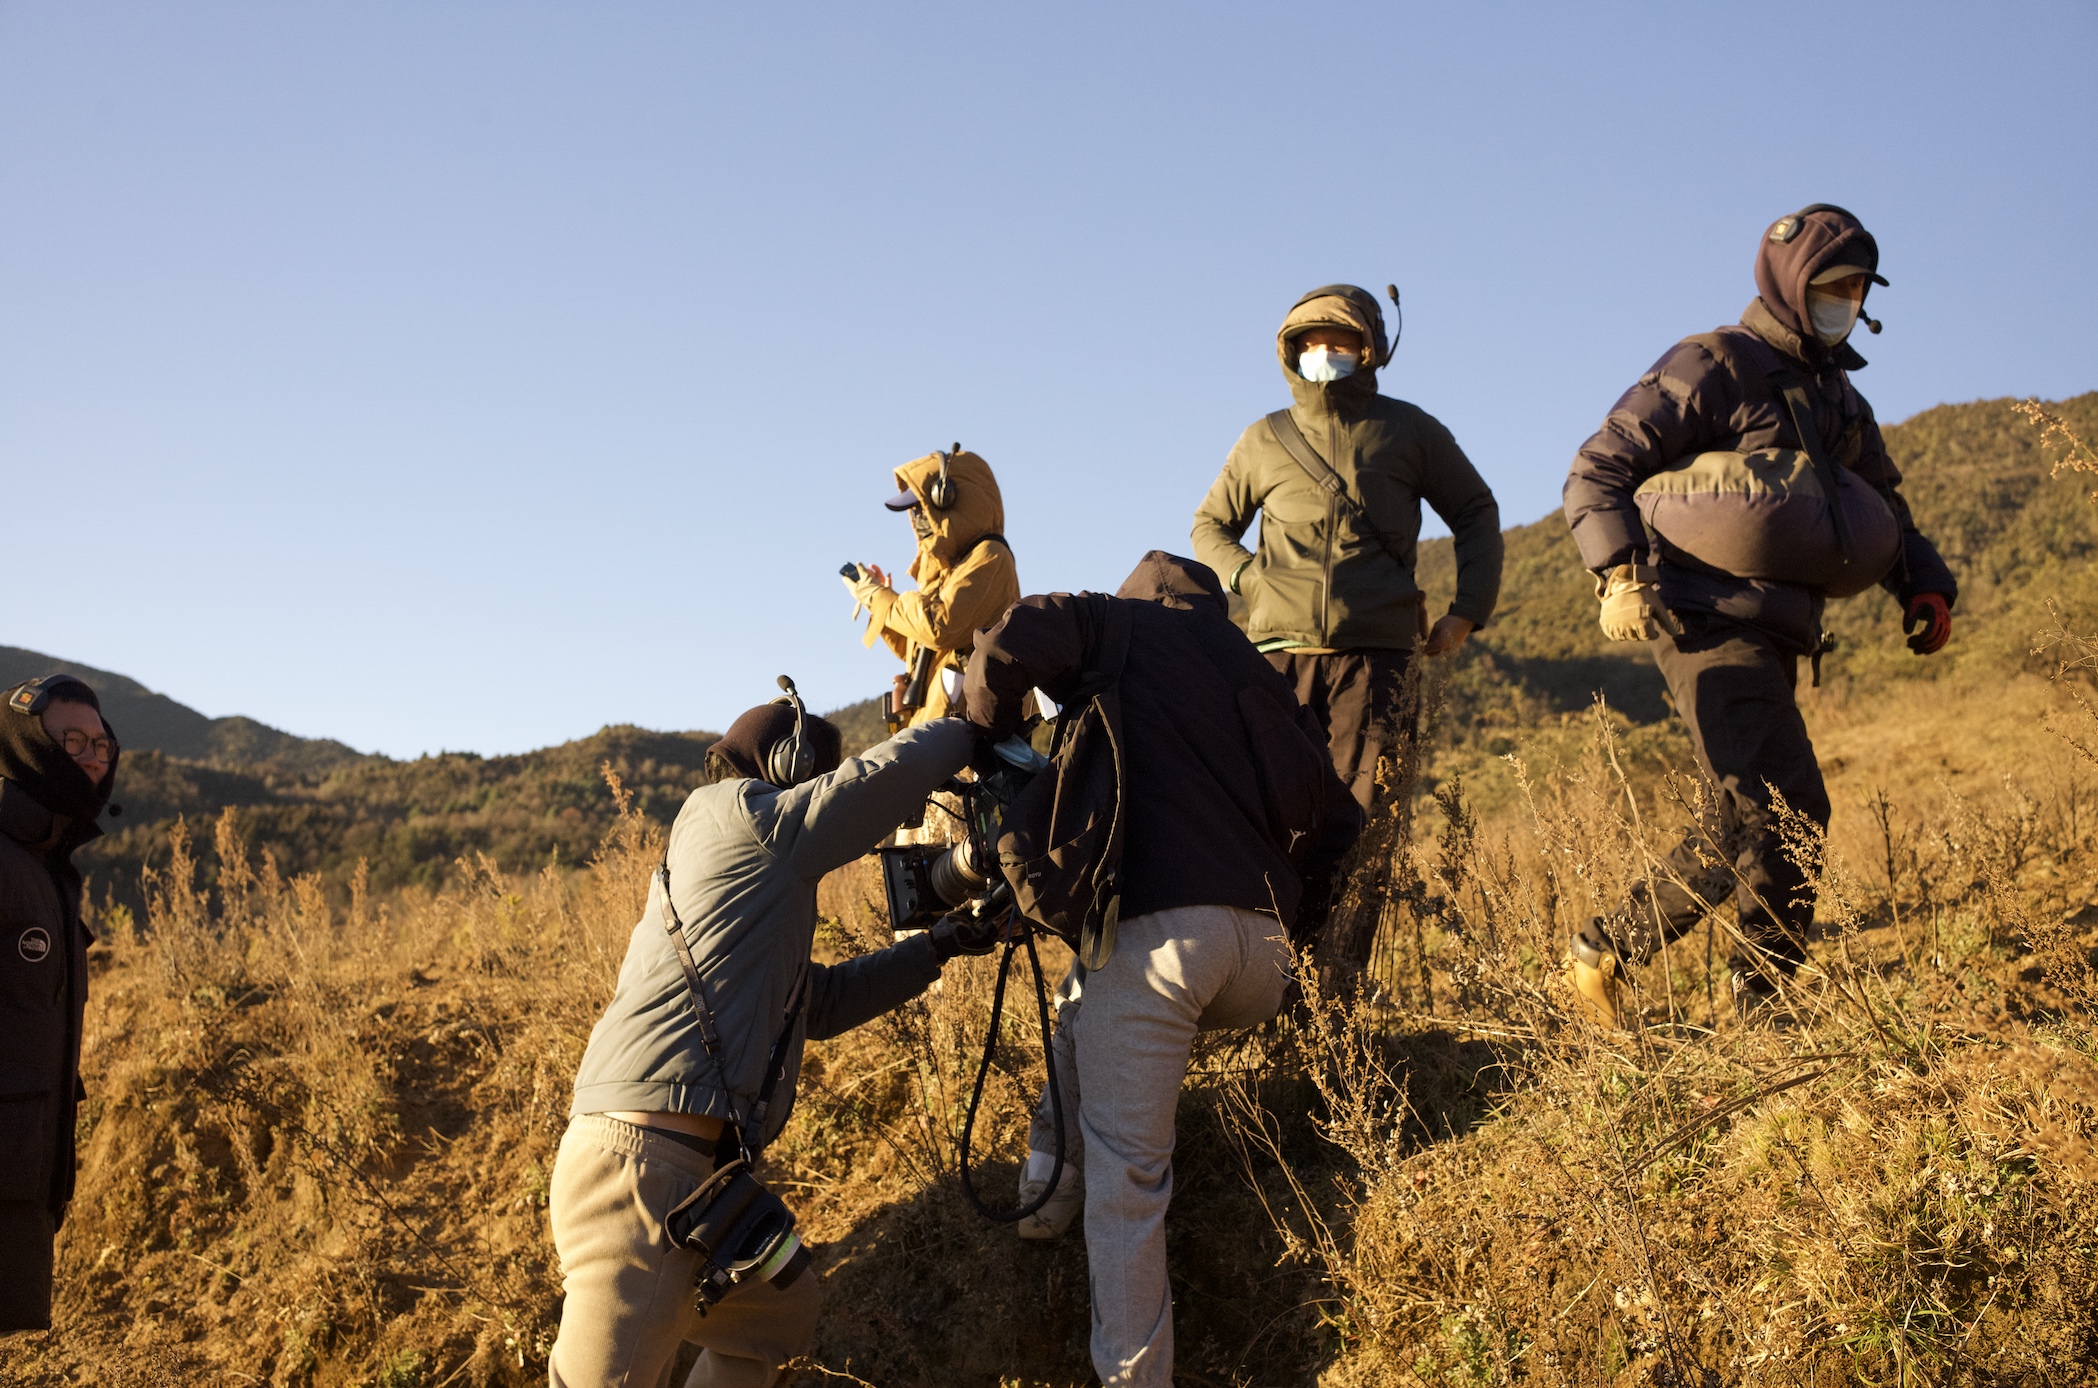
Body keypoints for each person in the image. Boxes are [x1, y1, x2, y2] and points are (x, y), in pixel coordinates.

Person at [963, 552, 1360, 1388]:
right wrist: (1303, 940)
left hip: (1158, 947)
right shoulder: (1256, 672)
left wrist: (994, 739)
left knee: (1131, 1187)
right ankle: (1048, 1185)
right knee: (1081, 999)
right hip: (1264, 956)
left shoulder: (1120, 625)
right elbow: (1342, 825)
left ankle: (1134, 1374)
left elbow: (1006, 644)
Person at [1560, 204, 1957, 1028]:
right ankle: (1760, 1006)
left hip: (1781, 627)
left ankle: (1602, 951)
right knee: (1789, 807)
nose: (1841, 300)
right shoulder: (1714, 363)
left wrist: (1923, 585)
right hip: (1704, 618)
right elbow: (1599, 466)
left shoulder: (1839, 397)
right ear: (1789, 283)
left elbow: (1883, 504)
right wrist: (1617, 573)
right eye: (1829, 285)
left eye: (1855, 288)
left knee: (1736, 816)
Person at [547, 684, 996, 1387]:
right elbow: (864, 792)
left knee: (777, 1311)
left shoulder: (740, 884)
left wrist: (936, 946)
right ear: (786, 771)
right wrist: (967, 727)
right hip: (641, 1176)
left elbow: (815, 1003)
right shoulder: (736, 815)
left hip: (691, 1177)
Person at [1192, 284, 1504, 820]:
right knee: (1269, 817)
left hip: (1378, 657)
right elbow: (1210, 525)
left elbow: (1476, 511)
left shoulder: (1411, 429)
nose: (1325, 355)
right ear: (1292, 352)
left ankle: (1349, 910)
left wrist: (1467, 612)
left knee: (1364, 820)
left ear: (1370, 350)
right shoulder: (1263, 437)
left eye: (1340, 344)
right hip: (1277, 658)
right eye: (1312, 344)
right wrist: (1250, 579)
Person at [1, 675, 119, 1333]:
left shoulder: (45, 866)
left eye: (101, 742)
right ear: (22, 746)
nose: (92, 755)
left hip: (21, 1187)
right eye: (71, 739)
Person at [844, 447, 1019, 730]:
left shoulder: (990, 556)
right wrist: (878, 602)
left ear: (948, 498)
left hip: (957, 738)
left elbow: (939, 627)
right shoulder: (949, 569)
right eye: (913, 511)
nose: (916, 518)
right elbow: (917, 647)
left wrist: (881, 598)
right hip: (933, 728)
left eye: (921, 507)